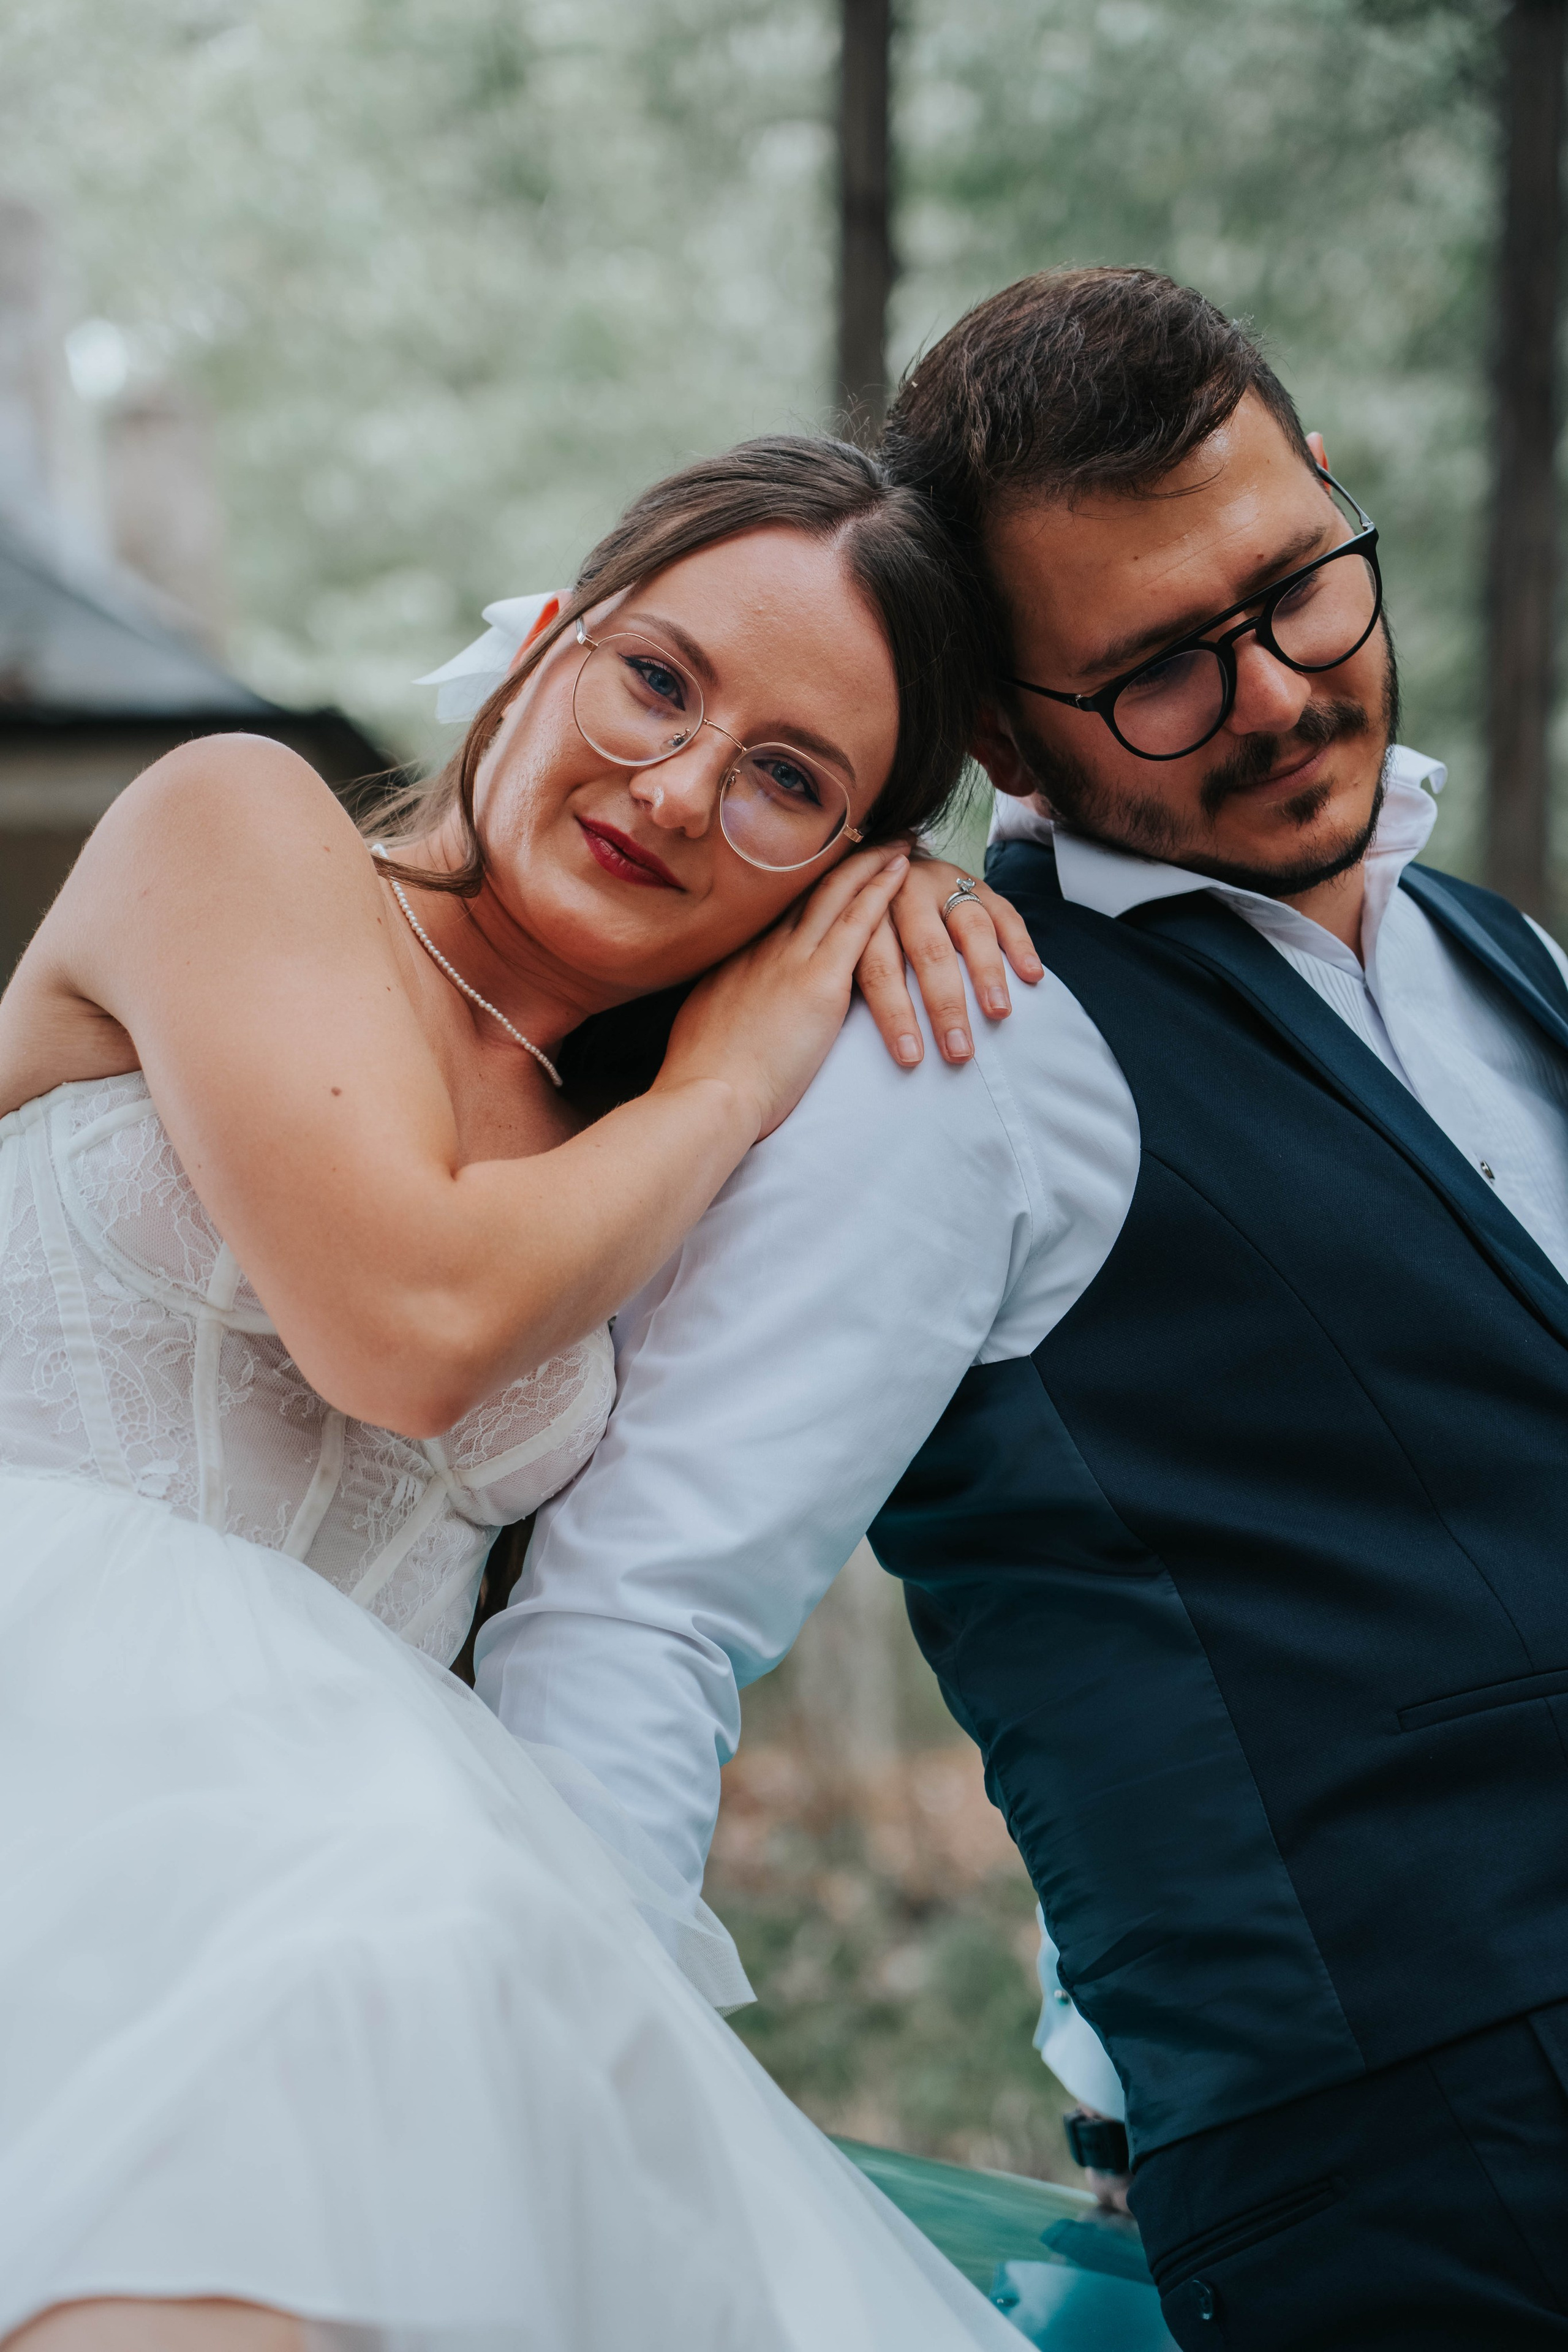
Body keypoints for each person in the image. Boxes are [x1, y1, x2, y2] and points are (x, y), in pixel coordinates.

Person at [478, 271, 1568, 2351]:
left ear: (1331, 492)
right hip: (1415, 2174)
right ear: (998, 735)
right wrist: (583, 2154)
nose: (1267, 694)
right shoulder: (956, 1051)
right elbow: (641, 1613)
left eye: (1294, 592)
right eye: (1156, 668)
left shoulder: (1508, 962)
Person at [0, 434, 1038, 2352]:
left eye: (786, 784)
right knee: (366, 1945)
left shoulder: (612, 1159)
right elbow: (405, 1317)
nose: (677, 787)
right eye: (660, 677)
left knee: (415, 1983)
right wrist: (729, 1082)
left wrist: (934, 957)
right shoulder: (242, 829)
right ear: (548, 638)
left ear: (840, 874)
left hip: (364, 1883)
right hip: (45, 1749)